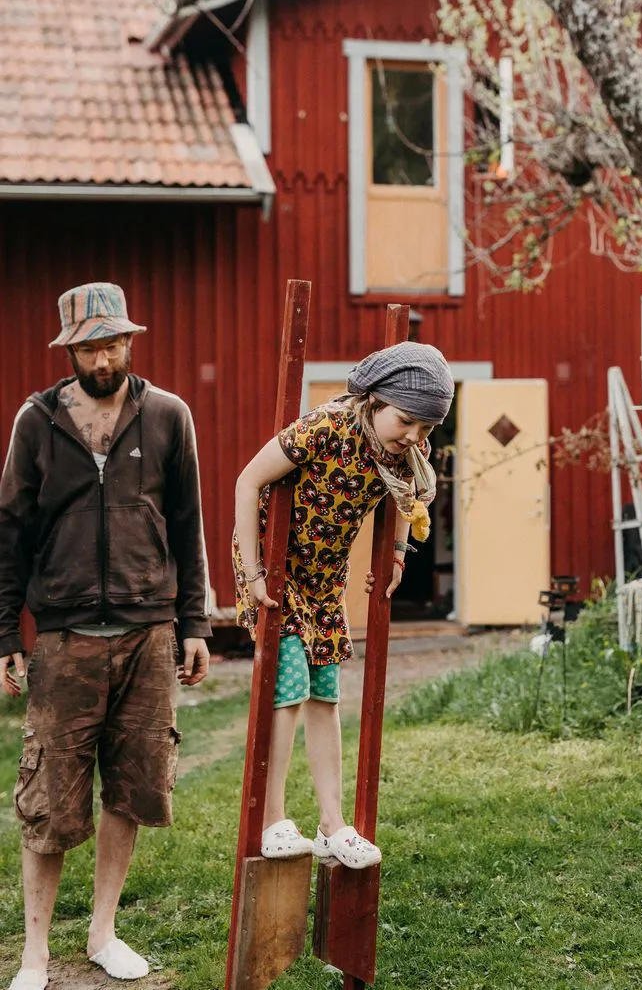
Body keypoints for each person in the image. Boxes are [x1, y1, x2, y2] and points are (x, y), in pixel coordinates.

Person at [0, 282, 212, 990]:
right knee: (49, 801)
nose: (103, 355)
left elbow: (188, 526)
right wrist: (7, 632)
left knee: (131, 790)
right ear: (70, 349)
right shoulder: (36, 422)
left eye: (113, 340)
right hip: (63, 639)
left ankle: (102, 933)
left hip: (148, 632)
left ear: (130, 341)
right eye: (89, 344)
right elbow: (9, 536)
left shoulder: (168, 416)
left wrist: (195, 623)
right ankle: (34, 955)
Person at [233, 341, 454, 868]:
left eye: (426, 429)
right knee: (288, 688)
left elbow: (407, 498)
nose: (414, 437)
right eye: (406, 421)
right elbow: (248, 480)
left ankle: (333, 825)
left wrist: (399, 552)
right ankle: (273, 820)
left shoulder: (404, 452)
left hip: (325, 579)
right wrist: (253, 571)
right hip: (276, 568)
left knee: (326, 696)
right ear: (376, 401)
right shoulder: (324, 427)